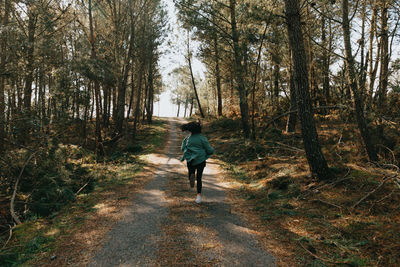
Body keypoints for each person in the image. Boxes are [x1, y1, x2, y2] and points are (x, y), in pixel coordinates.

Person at [180, 121, 214, 204]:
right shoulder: (202, 138)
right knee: (199, 178)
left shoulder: (188, 138)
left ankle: (191, 175)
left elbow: (183, 147)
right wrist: (210, 152)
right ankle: (198, 196)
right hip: (200, 160)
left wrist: (186, 152)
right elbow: (209, 149)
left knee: (191, 171)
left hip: (190, 160)